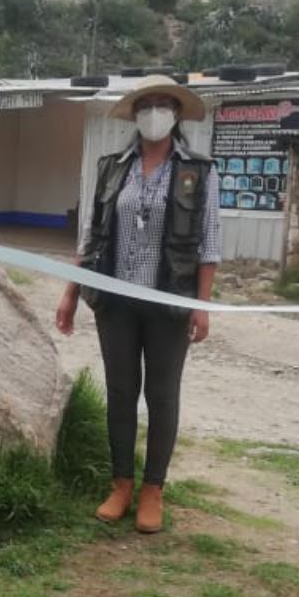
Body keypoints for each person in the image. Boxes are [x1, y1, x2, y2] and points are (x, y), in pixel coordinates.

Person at [55, 76, 221, 534]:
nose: (154, 112)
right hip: (115, 303)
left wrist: (201, 307)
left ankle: (153, 490)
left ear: (177, 114)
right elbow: (90, 237)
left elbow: (209, 245)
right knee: (122, 394)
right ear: (134, 114)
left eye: (164, 104)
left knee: (163, 395)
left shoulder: (199, 171)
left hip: (170, 303)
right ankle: (121, 484)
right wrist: (70, 293)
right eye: (146, 104)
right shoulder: (112, 168)